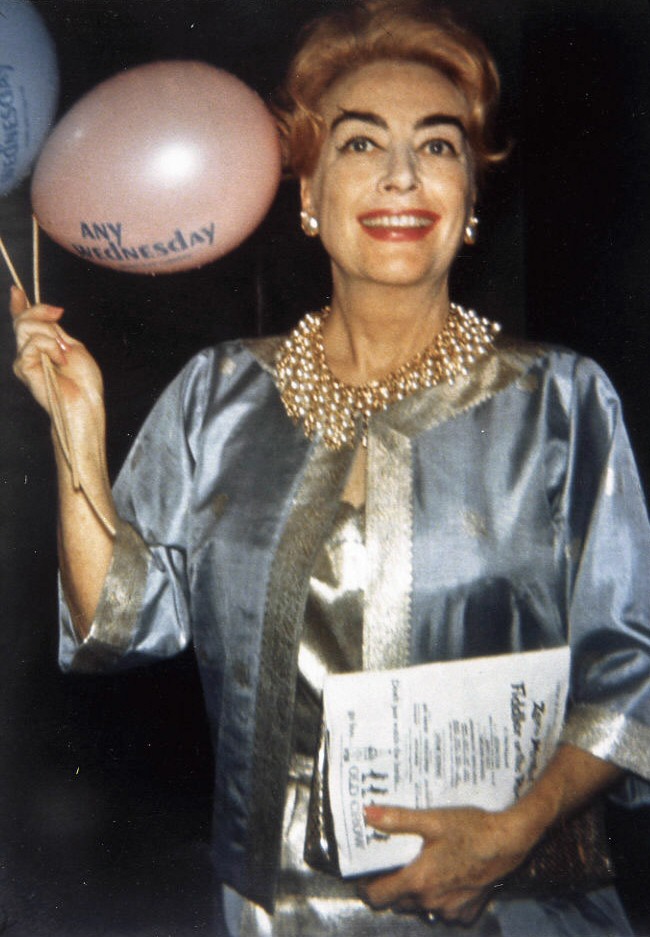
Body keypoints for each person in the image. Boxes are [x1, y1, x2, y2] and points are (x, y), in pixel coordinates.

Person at [9, 1, 650, 934]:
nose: (400, 175)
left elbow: (632, 666)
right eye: (359, 145)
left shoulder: (560, 401)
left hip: (510, 905)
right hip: (273, 915)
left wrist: (521, 827)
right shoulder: (217, 393)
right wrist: (78, 425)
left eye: (438, 147)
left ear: (469, 198)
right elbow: (117, 620)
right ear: (307, 194)